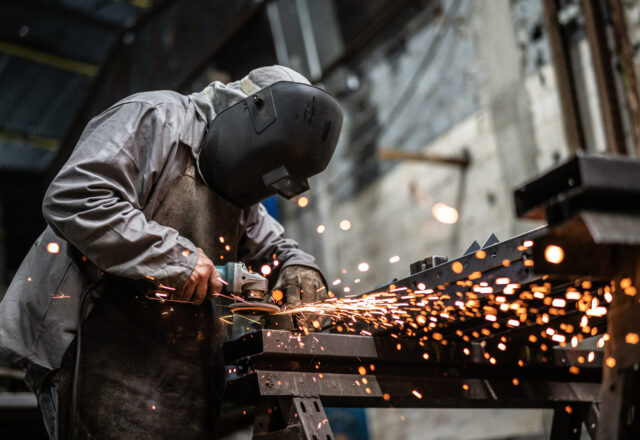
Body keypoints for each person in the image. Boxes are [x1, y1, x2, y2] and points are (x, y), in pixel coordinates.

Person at [0, 65, 343, 439]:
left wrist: (299, 269)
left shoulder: (241, 188)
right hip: (96, 352)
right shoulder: (155, 117)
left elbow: (276, 247)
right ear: (247, 116)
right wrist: (177, 259)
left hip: (183, 377)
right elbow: (76, 196)